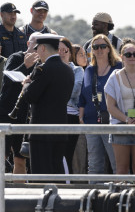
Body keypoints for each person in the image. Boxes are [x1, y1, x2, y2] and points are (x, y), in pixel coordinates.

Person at [20, 34, 74, 175]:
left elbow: (29, 96)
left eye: (37, 49)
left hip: (41, 131)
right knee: (57, 170)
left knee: (41, 174)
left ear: (43, 48)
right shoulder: (68, 69)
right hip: (60, 129)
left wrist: (26, 85)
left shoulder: (44, 69)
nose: (36, 52)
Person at [0, 32, 42, 175]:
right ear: (28, 44)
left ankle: (20, 192)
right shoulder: (15, 57)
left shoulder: (41, 63)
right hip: (6, 113)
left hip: (24, 116)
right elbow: (7, 78)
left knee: (20, 158)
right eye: (36, 44)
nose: (38, 48)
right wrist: (25, 65)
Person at [105, 39, 135, 175]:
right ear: (121, 57)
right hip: (120, 123)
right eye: (128, 54)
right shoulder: (114, 78)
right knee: (122, 169)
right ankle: (122, 196)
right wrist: (127, 120)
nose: (132, 57)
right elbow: (110, 106)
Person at [78, 33, 122, 176]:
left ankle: (121, 194)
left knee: (117, 163)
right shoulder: (89, 70)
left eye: (103, 46)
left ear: (109, 48)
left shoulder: (119, 67)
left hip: (113, 121)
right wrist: (81, 117)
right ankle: (94, 195)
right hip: (91, 122)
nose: (99, 49)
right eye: (95, 47)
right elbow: (83, 97)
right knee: (94, 164)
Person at [59, 37, 84, 174]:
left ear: (70, 52)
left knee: (67, 154)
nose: (62, 53)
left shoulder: (78, 70)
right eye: (58, 50)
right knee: (55, 154)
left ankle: (66, 186)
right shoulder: (49, 69)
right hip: (54, 116)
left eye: (65, 50)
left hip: (70, 115)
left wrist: (55, 95)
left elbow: (75, 91)